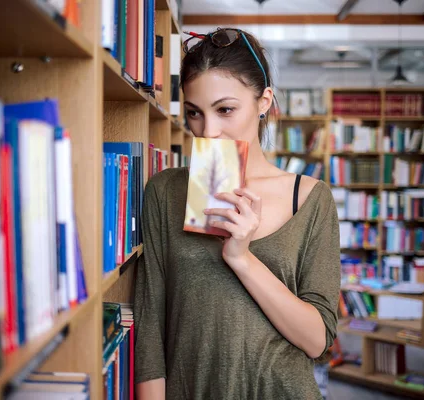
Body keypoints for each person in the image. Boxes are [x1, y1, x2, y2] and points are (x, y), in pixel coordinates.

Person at [134, 27, 341, 400]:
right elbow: (149, 327)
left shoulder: (310, 198)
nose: (208, 131)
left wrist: (241, 257)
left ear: (264, 101)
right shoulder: (165, 190)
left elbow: (316, 341)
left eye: (225, 109)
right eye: (195, 113)